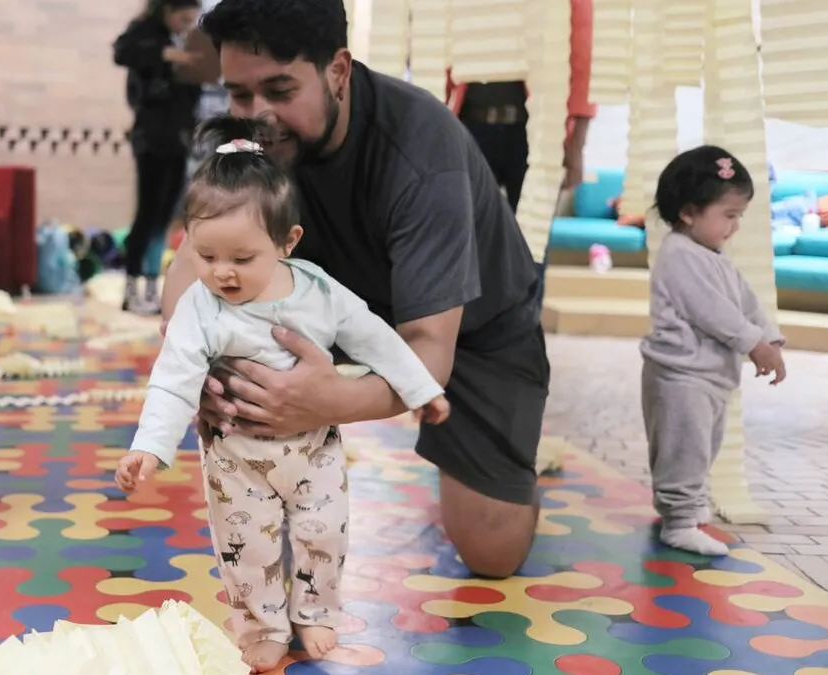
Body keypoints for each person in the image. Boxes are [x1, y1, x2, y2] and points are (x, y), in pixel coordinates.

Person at [160, 0, 549, 580]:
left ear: (337, 71)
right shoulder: (249, 145)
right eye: (241, 95)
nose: (258, 115)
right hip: (324, 301)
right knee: (235, 363)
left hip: (469, 329)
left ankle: (508, 469)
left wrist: (328, 401)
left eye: (281, 89)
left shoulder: (422, 150)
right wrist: (203, 377)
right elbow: (188, 278)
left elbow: (428, 351)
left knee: (492, 554)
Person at [116, 117, 449, 671]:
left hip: (312, 447)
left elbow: (374, 336)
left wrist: (420, 389)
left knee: (324, 532)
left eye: (242, 259)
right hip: (235, 456)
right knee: (249, 551)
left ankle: (316, 612)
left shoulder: (317, 290)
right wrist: (149, 446)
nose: (222, 273)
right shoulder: (201, 305)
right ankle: (263, 625)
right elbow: (174, 375)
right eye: (207, 256)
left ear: (285, 242)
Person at [641, 147, 786, 556]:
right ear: (688, 212)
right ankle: (679, 520)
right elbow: (715, 313)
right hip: (679, 375)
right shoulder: (678, 255)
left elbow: (746, 301)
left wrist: (769, 337)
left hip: (709, 375)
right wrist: (753, 344)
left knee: (702, 446)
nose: (735, 226)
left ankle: (686, 507)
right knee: (682, 447)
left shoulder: (713, 255)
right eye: (729, 215)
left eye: (739, 215)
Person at [445, 0, 595, 310]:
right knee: (465, 240)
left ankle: (524, 337)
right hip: (469, 124)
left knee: (531, 242)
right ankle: (470, 340)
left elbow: (582, 56)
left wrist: (576, 144)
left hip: (535, 131)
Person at [113, 0, 204, 314]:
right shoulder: (146, 33)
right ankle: (131, 287)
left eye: (192, 20)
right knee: (147, 213)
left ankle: (152, 285)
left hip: (178, 139)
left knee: (165, 216)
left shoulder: (187, 39)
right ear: (167, 10)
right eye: (183, 18)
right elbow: (122, 53)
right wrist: (166, 55)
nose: (187, 25)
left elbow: (193, 89)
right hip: (151, 138)